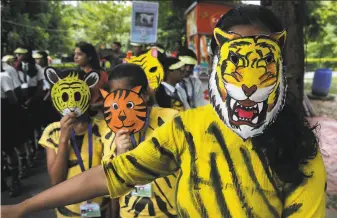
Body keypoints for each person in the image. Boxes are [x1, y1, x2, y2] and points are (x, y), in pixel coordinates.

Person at [1, 5, 326, 218]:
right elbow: (112, 175)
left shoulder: (299, 149)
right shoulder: (188, 128)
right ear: (215, 63)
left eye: (262, 63)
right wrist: (24, 208)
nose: (250, 81)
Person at [100, 63, 179, 217]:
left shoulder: (172, 120)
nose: (121, 107)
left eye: (127, 97)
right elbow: (111, 182)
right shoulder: (108, 131)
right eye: (115, 99)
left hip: (171, 212)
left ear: (144, 95)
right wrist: (120, 154)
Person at [39, 68, 111, 218]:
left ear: (89, 95)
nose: (72, 103)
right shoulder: (53, 132)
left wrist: (114, 211)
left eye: (78, 95)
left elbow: (112, 175)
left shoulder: (103, 128)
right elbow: (56, 181)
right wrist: (64, 138)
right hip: (67, 212)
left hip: (101, 210)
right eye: (65, 96)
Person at [1, 65, 22, 197]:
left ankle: (15, 180)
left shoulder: (3, 77)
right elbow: (13, 99)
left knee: (8, 149)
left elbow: (12, 98)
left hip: (4, 118)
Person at [74, 42, 109, 117]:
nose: (75, 57)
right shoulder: (73, 75)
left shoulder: (102, 75)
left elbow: (111, 96)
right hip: (77, 115)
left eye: (79, 54)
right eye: (75, 54)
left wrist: (97, 105)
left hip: (98, 115)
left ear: (89, 57)